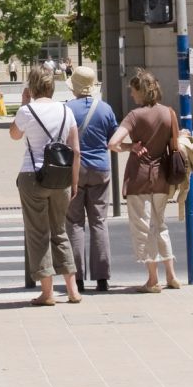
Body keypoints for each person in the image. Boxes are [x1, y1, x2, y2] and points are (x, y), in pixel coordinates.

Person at [10, 65, 82, 306]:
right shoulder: (66, 110)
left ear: (32, 87)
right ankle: (72, 289)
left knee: (38, 233)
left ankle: (47, 292)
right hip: (61, 177)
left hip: (33, 176)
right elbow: (76, 150)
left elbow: (14, 135)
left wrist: (23, 104)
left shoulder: (27, 111)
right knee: (60, 231)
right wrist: (74, 182)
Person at [108, 68, 182, 293]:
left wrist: (131, 146)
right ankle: (171, 275)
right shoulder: (169, 113)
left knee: (143, 227)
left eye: (133, 90)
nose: (131, 94)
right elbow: (175, 144)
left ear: (141, 91)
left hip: (139, 177)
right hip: (162, 177)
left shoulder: (134, 116)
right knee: (160, 225)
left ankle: (152, 279)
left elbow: (113, 143)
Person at [65, 64, 118, 293]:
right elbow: (113, 138)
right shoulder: (105, 109)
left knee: (74, 223)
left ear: (75, 87)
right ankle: (102, 277)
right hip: (100, 169)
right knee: (99, 222)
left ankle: (76, 279)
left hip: (74, 171)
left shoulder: (67, 109)